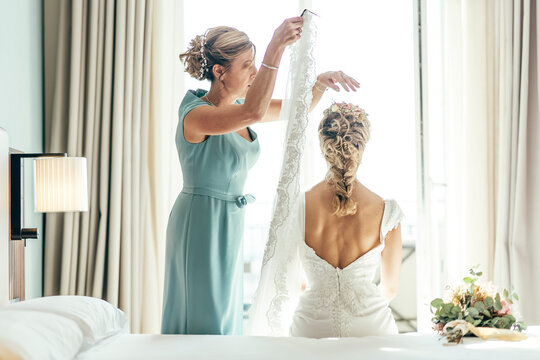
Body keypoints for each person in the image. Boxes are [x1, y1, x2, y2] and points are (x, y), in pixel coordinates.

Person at [161, 17, 360, 335]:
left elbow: (295, 108)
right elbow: (254, 112)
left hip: (230, 220)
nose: (254, 73)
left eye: (255, 64)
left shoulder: (239, 106)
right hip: (199, 220)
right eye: (247, 65)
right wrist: (274, 49)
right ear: (219, 71)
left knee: (225, 315)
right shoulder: (197, 115)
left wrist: (320, 83)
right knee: (203, 316)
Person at [289, 102, 404, 337]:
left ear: (323, 148)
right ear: (361, 149)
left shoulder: (297, 206)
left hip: (311, 329)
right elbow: (390, 288)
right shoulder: (386, 210)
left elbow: (293, 282)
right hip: (372, 329)